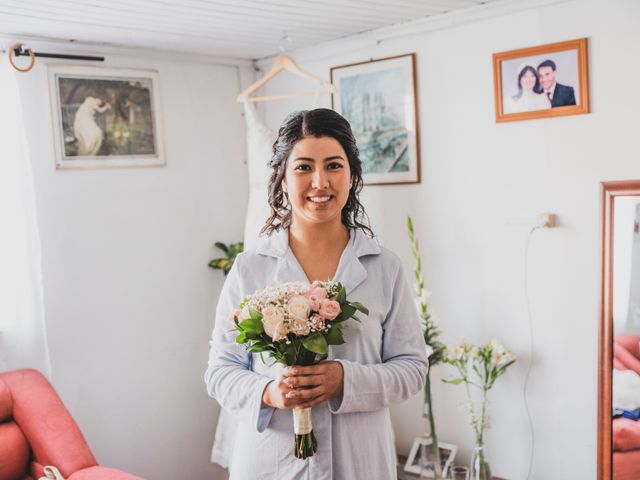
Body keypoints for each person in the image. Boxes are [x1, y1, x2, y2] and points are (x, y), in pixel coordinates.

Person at [204, 108, 427, 480]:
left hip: (359, 461)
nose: (320, 182)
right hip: (270, 461)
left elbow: (412, 368)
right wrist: (269, 393)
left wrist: (346, 380)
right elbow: (220, 371)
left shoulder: (384, 267)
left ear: (352, 174)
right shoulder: (250, 268)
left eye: (334, 166)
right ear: (283, 178)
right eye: (304, 167)